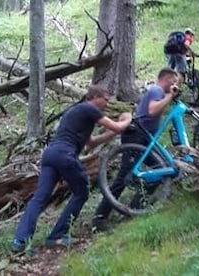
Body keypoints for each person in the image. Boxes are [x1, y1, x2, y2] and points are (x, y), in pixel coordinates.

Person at [10, 85, 133, 252]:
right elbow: (118, 127)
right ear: (95, 97)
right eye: (105, 99)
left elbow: (92, 143)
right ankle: (57, 236)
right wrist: (127, 118)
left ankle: (21, 241)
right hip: (65, 154)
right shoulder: (89, 108)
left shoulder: (79, 112)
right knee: (82, 192)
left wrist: (115, 130)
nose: (107, 103)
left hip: (50, 155)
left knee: (40, 198)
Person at [93, 68, 180, 231]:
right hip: (136, 135)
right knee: (124, 175)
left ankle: (135, 207)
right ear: (167, 79)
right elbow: (152, 110)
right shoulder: (156, 90)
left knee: (162, 170)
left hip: (144, 138)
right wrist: (170, 96)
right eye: (173, 81)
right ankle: (100, 217)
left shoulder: (159, 91)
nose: (175, 85)